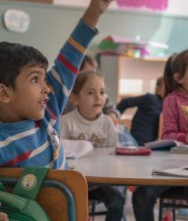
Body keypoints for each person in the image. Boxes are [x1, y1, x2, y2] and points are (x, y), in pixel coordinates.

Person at [0, 0, 115, 169]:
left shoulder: (48, 111)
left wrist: (94, 12)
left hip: (69, 200)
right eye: (35, 79)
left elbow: (69, 59)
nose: (47, 88)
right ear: (4, 93)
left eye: (45, 80)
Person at [132, 49, 188, 221]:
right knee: (141, 196)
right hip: (174, 168)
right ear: (179, 78)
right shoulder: (172, 100)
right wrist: (186, 138)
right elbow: (167, 135)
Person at [60, 71, 124, 221]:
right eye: (90, 93)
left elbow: (115, 157)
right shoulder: (65, 122)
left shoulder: (107, 123)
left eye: (102, 92)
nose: (98, 98)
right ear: (75, 98)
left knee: (117, 199)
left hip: (100, 183)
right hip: (73, 183)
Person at [63, 54, 120, 124]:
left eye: (94, 73)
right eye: (88, 74)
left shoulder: (100, 96)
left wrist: (112, 114)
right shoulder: (66, 96)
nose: (93, 77)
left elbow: (111, 107)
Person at [116, 77, 164, 145]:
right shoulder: (150, 99)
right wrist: (115, 119)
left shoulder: (167, 107)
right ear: (157, 89)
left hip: (149, 146)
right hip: (134, 141)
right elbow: (125, 102)